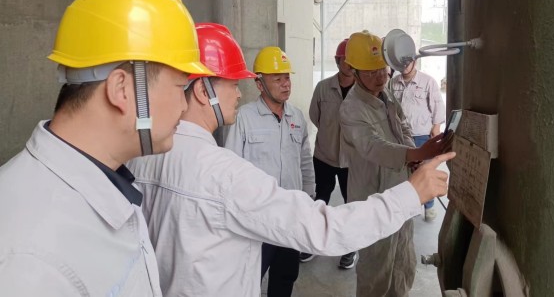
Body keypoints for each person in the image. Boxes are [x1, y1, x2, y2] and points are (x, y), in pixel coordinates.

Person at [129, 24, 455, 297]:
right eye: (233, 83)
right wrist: (412, 193)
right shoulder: (226, 176)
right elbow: (325, 229)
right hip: (267, 218)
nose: (239, 93)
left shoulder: (141, 160)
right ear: (203, 91)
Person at [0, 0, 212, 296]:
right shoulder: (30, 263)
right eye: (181, 87)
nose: (185, 106)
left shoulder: (102, 181)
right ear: (122, 89)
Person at [339, 30, 451, 297]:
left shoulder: (386, 94)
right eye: (371, 72)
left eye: (383, 70)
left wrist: (415, 154)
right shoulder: (351, 108)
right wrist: (412, 154)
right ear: (354, 72)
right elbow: (374, 146)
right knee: (376, 268)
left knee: (403, 262)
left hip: (402, 191)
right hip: (373, 200)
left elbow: (404, 126)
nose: (380, 76)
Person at [225, 46, 315, 297]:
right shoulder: (244, 118)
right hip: (257, 218)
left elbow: (305, 162)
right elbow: (231, 166)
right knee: (249, 278)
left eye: (287, 77)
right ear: (259, 83)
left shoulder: (296, 117)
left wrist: (308, 197)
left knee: (285, 276)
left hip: (291, 216)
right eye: (277, 79)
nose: (286, 84)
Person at [301, 38, 357, 269]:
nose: (350, 64)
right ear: (337, 61)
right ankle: (312, 244)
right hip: (324, 157)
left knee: (352, 203)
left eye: (354, 60)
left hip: (352, 160)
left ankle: (350, 248)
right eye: (345, 59)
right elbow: (315, 115)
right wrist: (330, 134)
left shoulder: (364, 91)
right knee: (319, 200)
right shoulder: (323, 87)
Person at [389, 59, 445, 221]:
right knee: (404, 173)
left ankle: (429, 206)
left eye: (407, 62)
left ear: (414, 61)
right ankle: (410, 206)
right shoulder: (393, 83)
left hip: (421, 135)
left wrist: (436, 127)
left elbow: (438, 106)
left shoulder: (427, 81)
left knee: (424, 171)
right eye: (401, 63)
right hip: (400, 136)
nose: (404, 66)